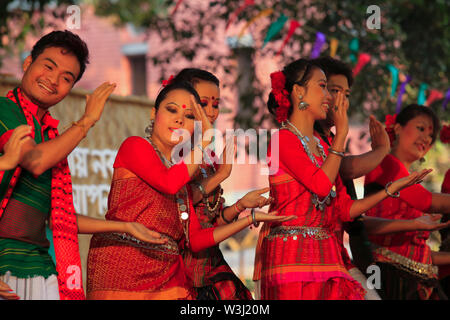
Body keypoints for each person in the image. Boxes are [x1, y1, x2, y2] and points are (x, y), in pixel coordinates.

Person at [86, 80, 295, 300]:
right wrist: (206, 140)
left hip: (166, 273)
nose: (179, 119)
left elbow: (195, 239)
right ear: (153, 113)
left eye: (189, 117)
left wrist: (247, 215)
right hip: (123, 268)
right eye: (172, 110)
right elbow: (168, 182)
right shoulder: (136, 146)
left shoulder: (182, 173)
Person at [0, 30, 165, 301]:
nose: (53, 81)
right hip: (5, 262)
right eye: (48, 66)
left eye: (66, 78)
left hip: (39, 264)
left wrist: (125, 227)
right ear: (28, 63)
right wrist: (87, 121)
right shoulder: (6, 109)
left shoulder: (51, 135)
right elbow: (34, 161)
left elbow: (59, 220)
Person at [254, 58, 429, 300]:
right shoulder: (282, 140)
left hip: (328, 257)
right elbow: (321, 186)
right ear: (298, 92)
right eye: (322, 86)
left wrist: (390, 189)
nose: (329, 96)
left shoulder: (325, 149)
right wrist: (342, 135)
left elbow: (345, 210)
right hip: (292, 259)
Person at [172, 68, 266, 300]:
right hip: (180, 267)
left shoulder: (207, 156)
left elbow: (213, 219)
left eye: (216, 104)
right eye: (204, 103)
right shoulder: (174, 150)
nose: (212, 112)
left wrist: (242, 205)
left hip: (210, 262)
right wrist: (220, 175)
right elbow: (178, 201)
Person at [364, 104, 450, 300]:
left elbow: (419, 253)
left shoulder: (410, 180)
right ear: (398, 128)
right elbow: (426, 200)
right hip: (391, 278)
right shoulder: (385, 163)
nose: (426, 139)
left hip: (419, 281)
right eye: (421, 128)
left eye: (431, 135)